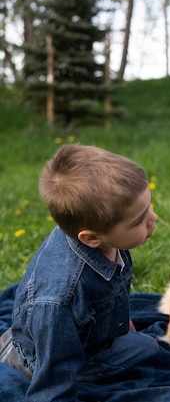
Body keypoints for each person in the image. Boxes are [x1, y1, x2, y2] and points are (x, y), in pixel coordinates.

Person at [0, 144, 160, 402]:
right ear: (91, 238)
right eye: (138, 221)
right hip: (48, 359)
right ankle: (16, 360)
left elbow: (115, 285)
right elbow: (53, 385)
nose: (153, 219)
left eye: (149, 207)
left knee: (146, 345)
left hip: (84, 337)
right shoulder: (59, 300)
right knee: (149, 348)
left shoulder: (104, 238)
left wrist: (122, 320)